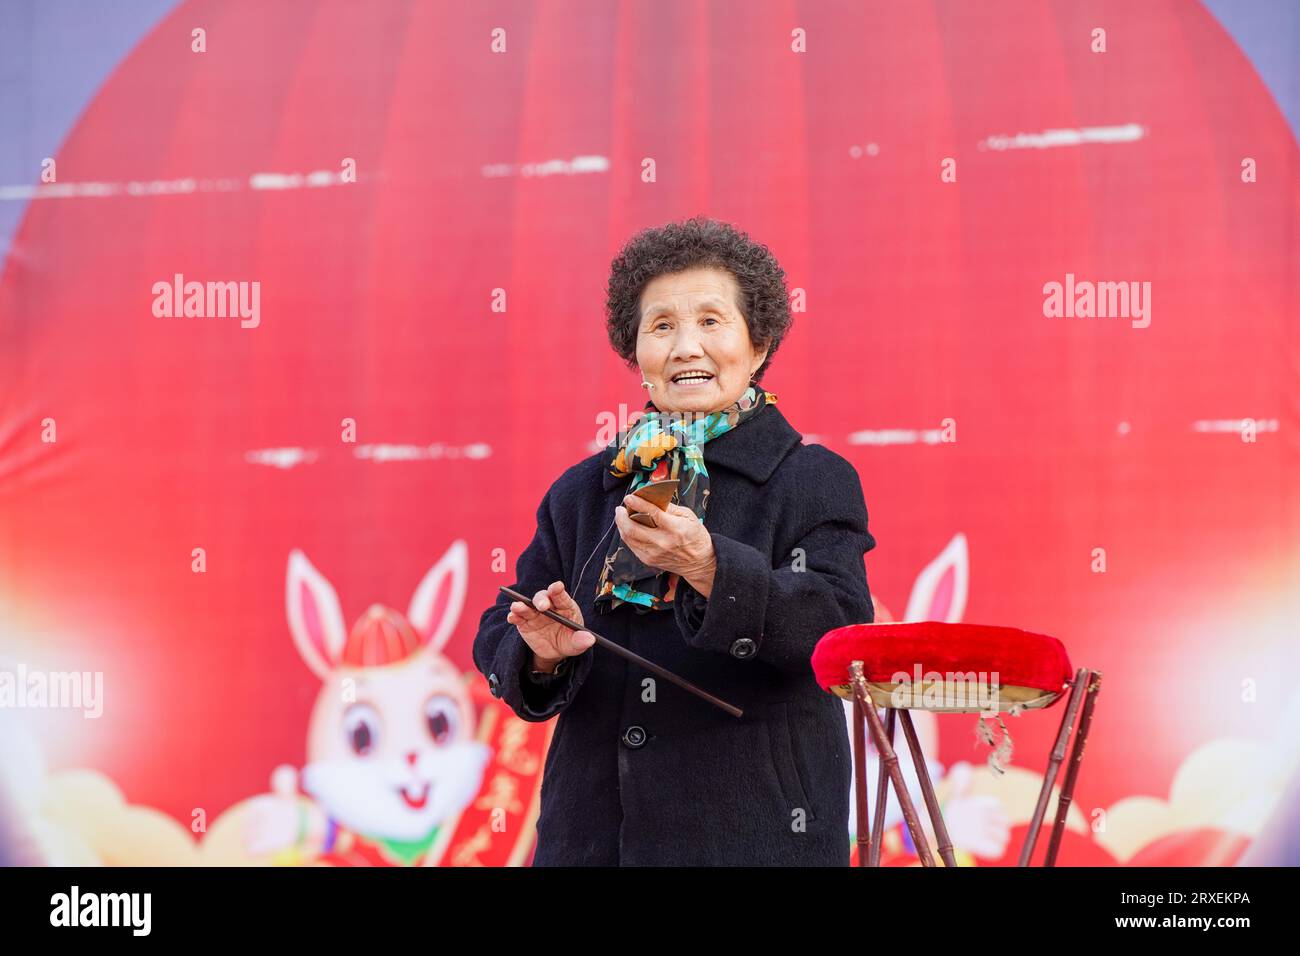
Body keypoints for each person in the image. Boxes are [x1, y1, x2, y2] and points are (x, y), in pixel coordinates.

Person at [472, 216, 876, 865]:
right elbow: (502, 625)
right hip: (592, 845)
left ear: (760, 339)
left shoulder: (812, 479)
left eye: (711, 321)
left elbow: (837, 629)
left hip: (757, 840)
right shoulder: (582, 493)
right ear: (636, 354)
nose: (687, 347)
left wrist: (713, 568)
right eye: (662, 326)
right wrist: (541, 651)